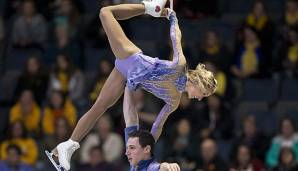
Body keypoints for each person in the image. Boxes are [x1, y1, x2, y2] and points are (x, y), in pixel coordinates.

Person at [50, 1, 217, 170]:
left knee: (99, 107)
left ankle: (66, 148)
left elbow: (157, 127)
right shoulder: (180, 66)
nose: (201, 98)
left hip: (126, 74)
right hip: (131, 57)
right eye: (203, 93)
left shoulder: (174, 100)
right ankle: (148, 7)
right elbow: (176, 37)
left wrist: (145, 151)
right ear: (197, 81)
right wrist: (173, 18)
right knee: (105, 12)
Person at [123, 86, 180, 171]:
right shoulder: (135, 164)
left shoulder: (150, 168)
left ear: (146, 149)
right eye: (127, 148)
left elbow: (160, 167)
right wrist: (128, 85)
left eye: (132, 148)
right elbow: (129, 118)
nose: (126, 153)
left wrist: (166, 166)